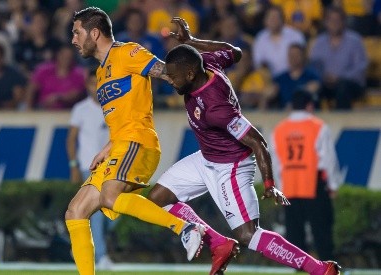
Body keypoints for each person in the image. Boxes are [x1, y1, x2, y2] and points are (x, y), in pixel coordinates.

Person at [147, 17, 341, 275]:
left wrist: (270, 185)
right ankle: (218, 242)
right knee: (158, 199)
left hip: (231, 166)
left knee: (248, 235)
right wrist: (192, 42)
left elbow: (258, 142)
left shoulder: (217, 108)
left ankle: (318, 268)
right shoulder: (208, 63)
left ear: (190, 74)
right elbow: (236, 52)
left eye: (173, 77)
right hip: (206, 158)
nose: (170, 81)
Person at [65, 7, 205, 275]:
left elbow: (170, 74)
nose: (73, 39)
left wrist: (203, 91)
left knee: (109, 196)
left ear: (94, 33)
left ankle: (184, 227)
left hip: (138, 141)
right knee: (75, 212)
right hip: (119, 145)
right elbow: (121, 116)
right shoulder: (100, 74)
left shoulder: (128, 53)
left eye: (77, 32)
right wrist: (106, 148)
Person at [270, 90, 342, 261]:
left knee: (295, 236)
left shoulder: (279, 130)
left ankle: (299, 269)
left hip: (290, 186)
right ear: (309, 105)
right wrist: (332, 185)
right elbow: (328, 160)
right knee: (322, 231)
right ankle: (327, 267)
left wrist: (280, 189)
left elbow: (275, 162)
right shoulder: (318, 126)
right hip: (313, 185)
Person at [66, 70, 112, 269]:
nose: (97, 87)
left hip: (111, 168)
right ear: (87, 85)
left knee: (114, 212)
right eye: (93, 84)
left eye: (99, 82)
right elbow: (71, 139)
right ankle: (100, 257)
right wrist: (74, 165)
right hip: (88, 167)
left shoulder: (112, 106)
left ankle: (80, 242)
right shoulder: (81, 109)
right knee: (97, 215)